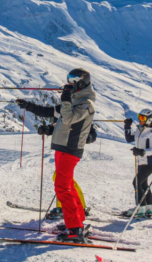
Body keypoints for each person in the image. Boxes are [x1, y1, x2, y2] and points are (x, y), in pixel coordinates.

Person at [16, 68, 96, 243]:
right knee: (66, 185)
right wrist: (28, 106)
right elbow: (50, 112)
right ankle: (76, 221)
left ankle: (75, 229)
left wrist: (66, 99)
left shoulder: (86, 103)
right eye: (69, 79)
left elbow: (68, 119)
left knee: (62, 187)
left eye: (73, 80)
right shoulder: (75, 100)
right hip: (62, 147)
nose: (69, 83)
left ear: (82, 83)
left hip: (70, 148)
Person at [122, 108, 152, 218]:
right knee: (143, 184)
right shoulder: (140, 130)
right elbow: (129, 139)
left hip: (150, 163)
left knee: (136, 182)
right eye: (139, 117)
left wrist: (141, 151)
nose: (140, 119)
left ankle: (140, 208)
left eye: (143, 118)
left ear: (149, 120)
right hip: (141, 162)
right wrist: (127, 127)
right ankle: (149, 207)